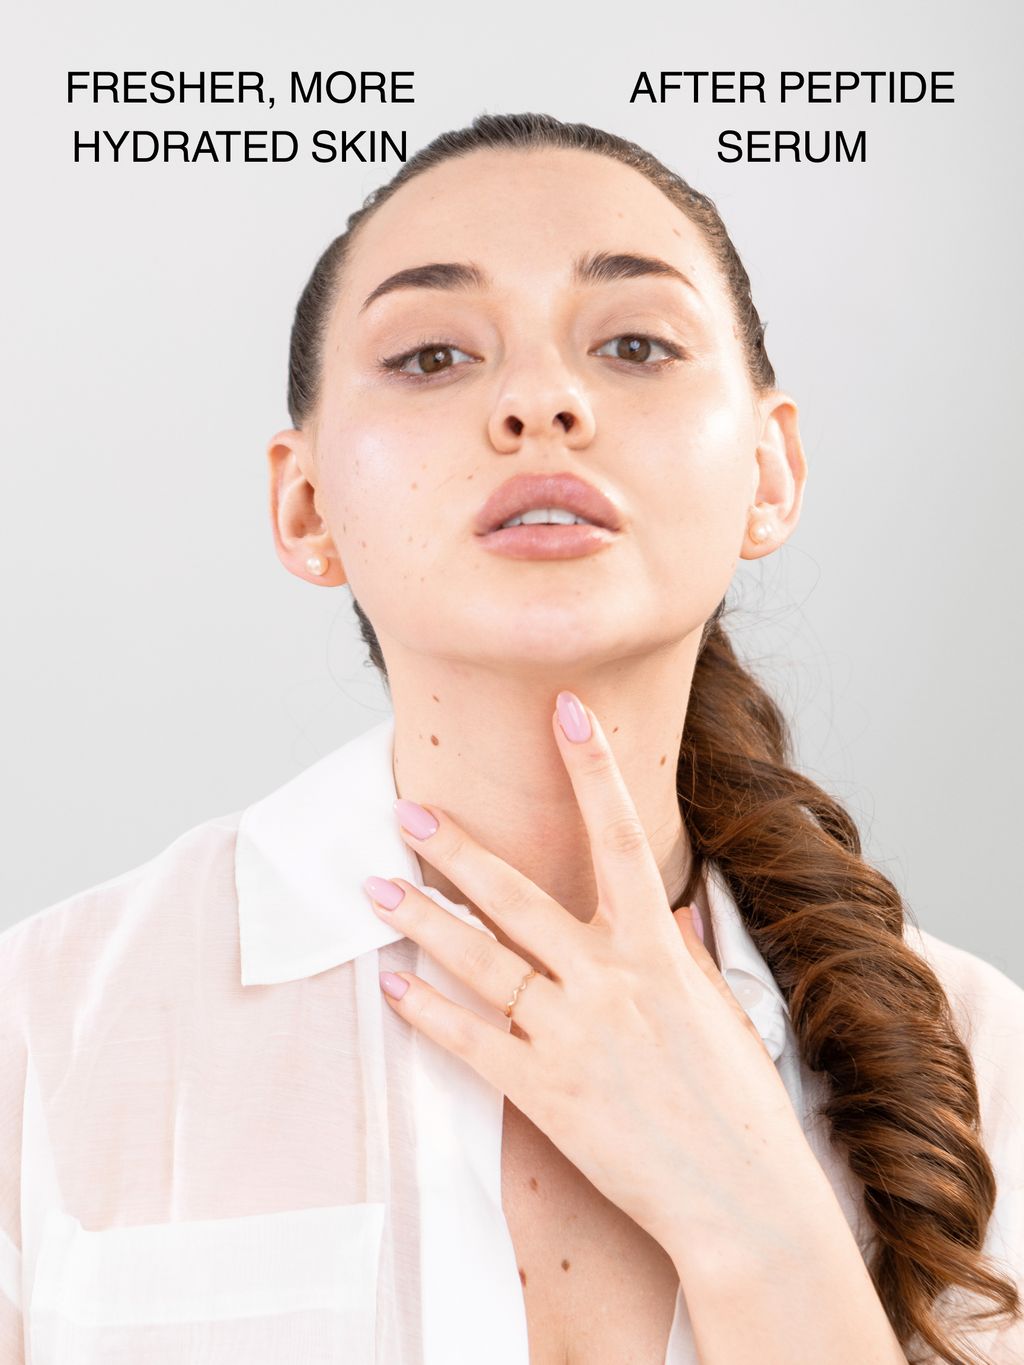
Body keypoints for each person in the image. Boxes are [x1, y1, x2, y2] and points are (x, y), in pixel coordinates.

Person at [0, 113, 1020, 1365]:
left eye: (636, 344)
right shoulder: (43, 1036)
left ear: (769, 472)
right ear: (304, 501)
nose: (544, 400)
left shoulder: (979, 1068)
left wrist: (761, 1230)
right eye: (432, 356)